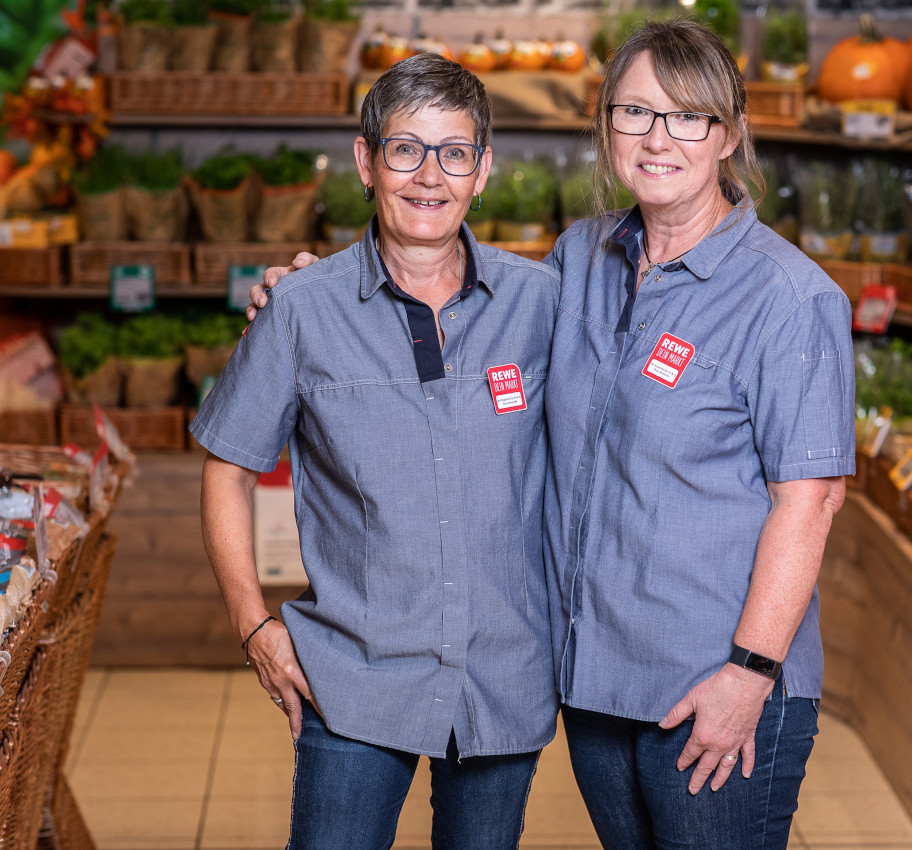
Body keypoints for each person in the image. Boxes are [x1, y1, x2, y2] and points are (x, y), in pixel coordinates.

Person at [254, 19, 854, 850]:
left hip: (715, 689)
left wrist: (749, 675)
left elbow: (812, 501)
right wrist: (308, 290)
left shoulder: (788, 297)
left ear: (729, 135)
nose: (657, 138)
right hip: (599, 685)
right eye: (635, 112)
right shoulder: (580, 260)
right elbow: (450, 282)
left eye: (688, 117)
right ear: (606, 126)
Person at [193, 53, 560, 850]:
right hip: (354, 677)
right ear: (366, 160)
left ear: (483, 170)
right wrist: (254, 625)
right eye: (405, 149)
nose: (429, 176)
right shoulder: (301, 309)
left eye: (454, 152)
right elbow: (226, 468)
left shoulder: (543, 302)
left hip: (502, 673)